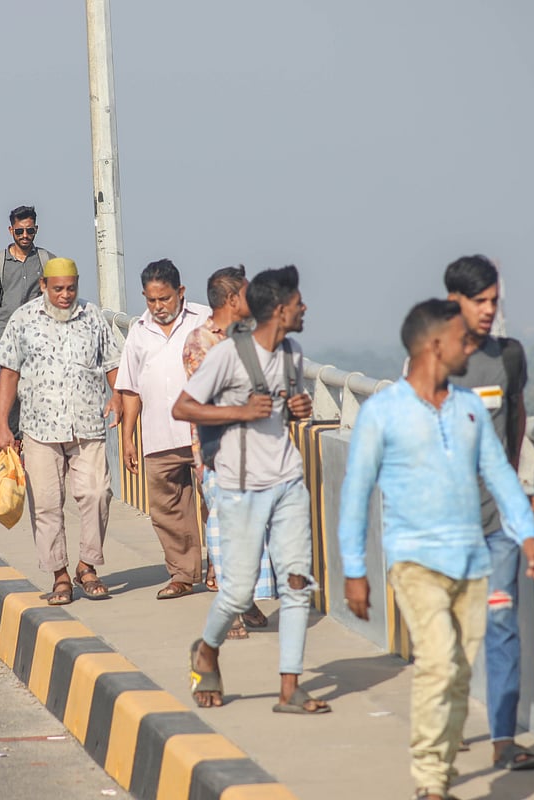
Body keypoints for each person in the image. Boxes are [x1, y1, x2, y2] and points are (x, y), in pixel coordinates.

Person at [338, 298, 534, 800]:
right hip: (415, 562)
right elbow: (356, 489)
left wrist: (528, 533)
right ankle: (431, 782)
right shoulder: (383, 413)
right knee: (438, 662)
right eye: (460, 340)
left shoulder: (469, 408)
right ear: (434, 345)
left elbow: (500, 476)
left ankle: (441, 768)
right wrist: (354, 568)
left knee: (458, 673)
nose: (467, 347)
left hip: (473, 561)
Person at [173, 265, 327, 715]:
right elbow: (183, 407)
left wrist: (298, 408)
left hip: (288, 482)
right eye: (299, 302)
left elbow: (284, 408)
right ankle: (207, 649)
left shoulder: (293, 353)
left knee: (297, 583)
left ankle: (290, 689)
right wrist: (239, 413)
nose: (305, 308)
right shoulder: (227, 355)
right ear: (280, 309)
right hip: (240, 487)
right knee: (239, 594)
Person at [443, 255, 534, 771]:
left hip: (502, 526)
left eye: (494, 301)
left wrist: (518, 493)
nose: (489, 311)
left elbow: (516, 418)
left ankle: (504, 740)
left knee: (502, 627)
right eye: (479, 301)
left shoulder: (509, 357)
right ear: (453, 302)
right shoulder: (433, 363)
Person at [0, 257, 122, 605]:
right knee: (47, 505)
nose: (66, 296)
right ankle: (60, 575)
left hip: (88, 425)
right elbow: (8, 375)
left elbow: (112, 363)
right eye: (59, 289)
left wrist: (119, 398)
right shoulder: (23, 320)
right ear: (44, 287)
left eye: (71, 288)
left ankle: (87, 565)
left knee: (97, 493)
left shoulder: (92, 316)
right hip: (38, 429)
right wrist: (2, 425)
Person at [181, 266, 274, 639]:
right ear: (233, 299)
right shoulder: (200, 341)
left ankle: (246, 599)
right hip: (217, 451)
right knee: (226, 529)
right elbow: (202, 401)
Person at [116, 259, 209, 599]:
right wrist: (127, 437)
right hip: (157, 434)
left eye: (165, 299)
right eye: (152, 300)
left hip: (205, 434)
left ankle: (219, 569)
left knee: (214, 501)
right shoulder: (139, 331)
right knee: (167, 509)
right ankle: (183, 574)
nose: (158, 307)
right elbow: (130, 389)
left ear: (180, 292)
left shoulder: (205, 321)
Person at [0, 205, 55, 363]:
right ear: (11, 230)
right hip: (7, 338)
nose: (25, 235)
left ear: (36, 229)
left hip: (40, 338)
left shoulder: (48, 261)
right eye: (19, 231)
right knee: (11, 386)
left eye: (30, 231)